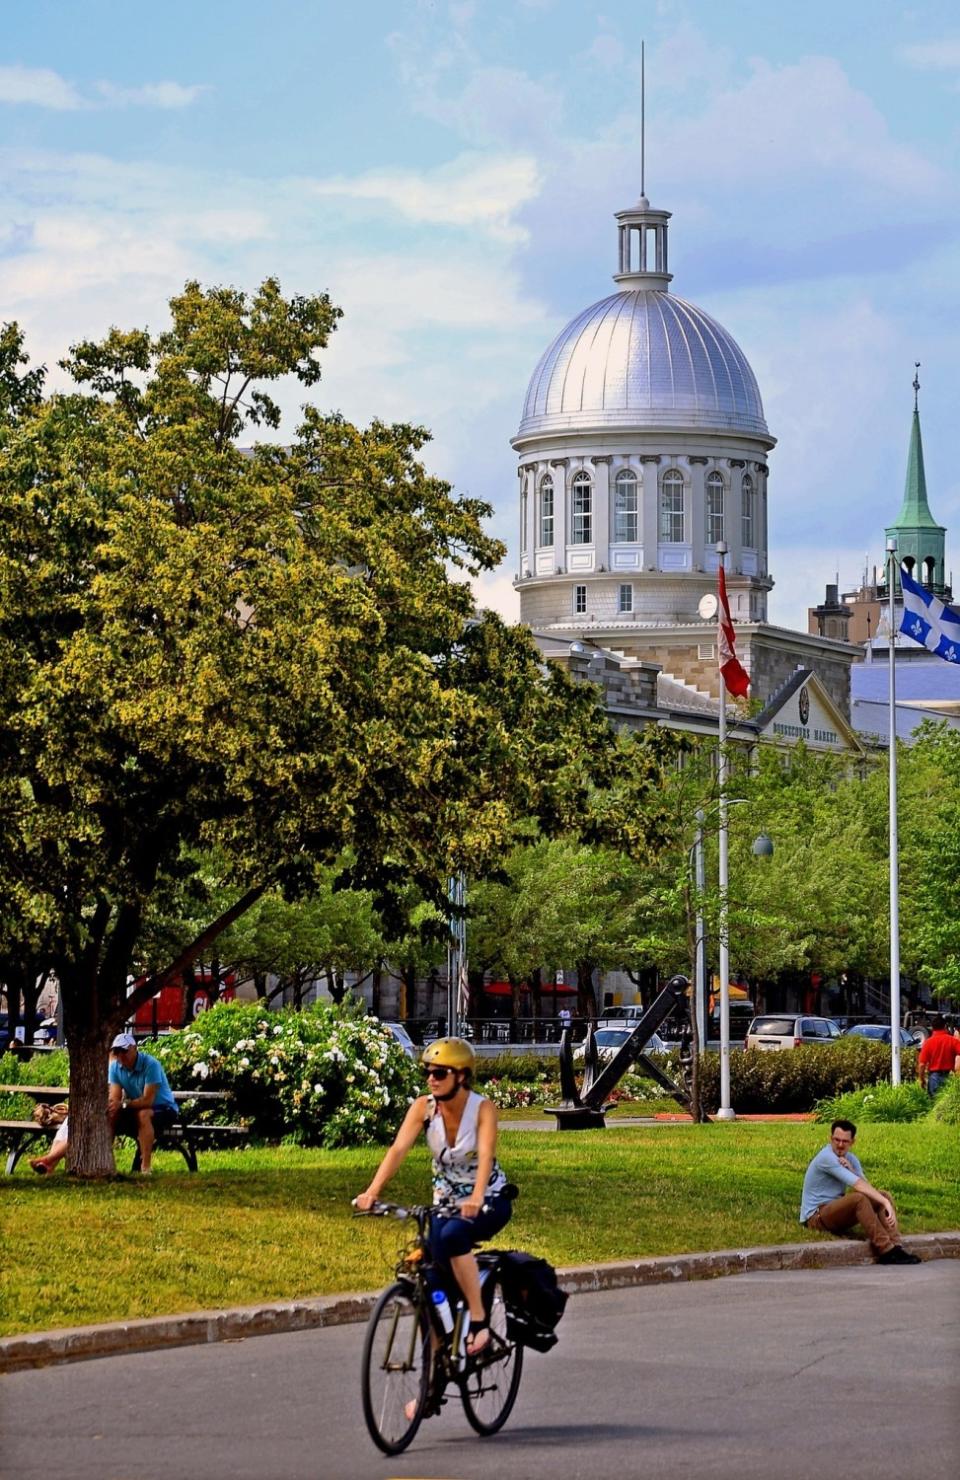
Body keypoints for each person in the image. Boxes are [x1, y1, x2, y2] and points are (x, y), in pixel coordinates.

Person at [355, 1037, 513, 1357]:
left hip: (489, 1200)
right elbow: (398, 1149)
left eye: (440, 1073)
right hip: (445, 1203)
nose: (431, 1078)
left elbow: (485, 1156)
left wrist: (476, 1196)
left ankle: (479, 1323)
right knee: (429, 1274)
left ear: (461, 1076)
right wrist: (372, 1192)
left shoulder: (482, 1110)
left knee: (454, 1236)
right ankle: (435, 1371)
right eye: (428, 1072)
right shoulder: (423, 1108)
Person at [800, 1119, 920, 1265]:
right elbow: (858, 1185)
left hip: (836, 1212)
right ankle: (886, 1251)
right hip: (816, 1217)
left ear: (852, 1142)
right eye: (836, 1140)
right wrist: (886, 1203)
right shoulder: (827, 1157)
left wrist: (852, 1170)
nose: (840, 1145)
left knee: (882, 1195)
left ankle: (896, 1247)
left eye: (845, 1141)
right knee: (859, 1199)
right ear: (830, 1138)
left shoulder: (851, 1159)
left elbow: (867, 1187)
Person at [108, 1032, 180, 1175]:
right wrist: (113, 1106)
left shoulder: (151, 1064)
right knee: (110, 1114)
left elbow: (148, 1100)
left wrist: (123, 1105)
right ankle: (106, 1160)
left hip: (164, 1109)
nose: (121, 1055)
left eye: (124, 1051)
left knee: (143, 1114)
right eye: (117, 1052)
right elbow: (114, 1098)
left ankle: (145, 1167)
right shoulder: (115, 1067)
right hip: (135, 1108)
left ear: (134, 1048)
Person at [917, 1015, 960, 1097]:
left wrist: (922, 1080)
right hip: (949, 1077)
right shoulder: (952, 1041)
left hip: (934, 1078)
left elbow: (922, 1064)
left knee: (934, 1105)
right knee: (948, 1106)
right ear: (945, 1026)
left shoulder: (928, 1043)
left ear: (932, 1027)